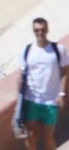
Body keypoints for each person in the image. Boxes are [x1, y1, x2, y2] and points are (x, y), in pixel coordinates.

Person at [19, 16, 69, 150]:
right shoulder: (27, 50)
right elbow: (22, 76)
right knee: (31, 135)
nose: (39, 32)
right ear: (33, 31)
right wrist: (19, 101)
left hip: (51, 101)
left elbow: (65, 72)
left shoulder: (58, 50)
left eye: (42, 29)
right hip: (31, 100)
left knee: (48, 137)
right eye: (36, 30)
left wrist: (62, 93)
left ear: (47, 29)